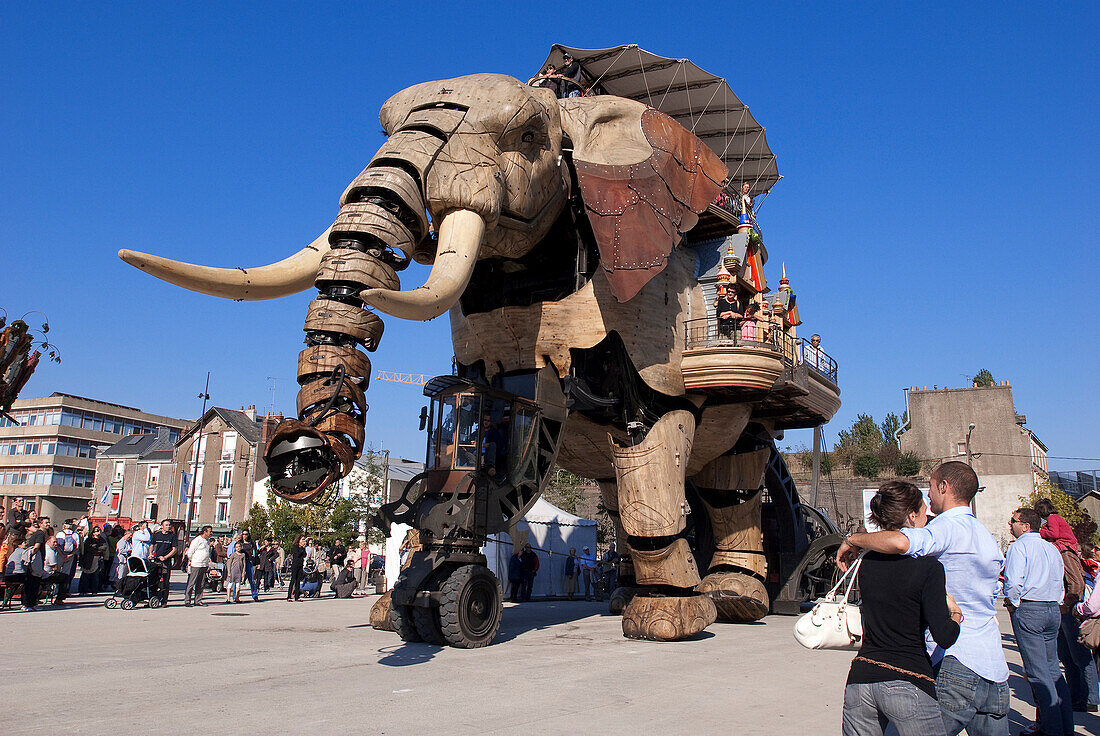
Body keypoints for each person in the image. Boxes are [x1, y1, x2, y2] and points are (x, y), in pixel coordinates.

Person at [838, 461, 1009, 736]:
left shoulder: (944, 528)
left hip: (956, 659)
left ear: (944, 487)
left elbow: (902, 543)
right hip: (993, 664)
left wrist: (854, 539)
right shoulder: (984, 534)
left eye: (930, 486)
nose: (928, 497)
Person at [842, 481, 961, 736]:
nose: (927, 516)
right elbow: (944, 636)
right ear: (911, 516)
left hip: (861, 677)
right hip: (907, 677)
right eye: (923, 510)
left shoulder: (866, 563)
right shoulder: (928, 568)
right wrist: (957, 614)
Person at [1001, 507, 1073, 735]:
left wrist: (1013, 602)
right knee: (1052, 669)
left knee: (1037, 673)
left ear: (1026, 526)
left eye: (1013, 521)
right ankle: (1064, 726)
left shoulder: (1019, 547)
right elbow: (1059, 578)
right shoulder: (1050, 548)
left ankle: (1052, 728)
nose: (1009, 524)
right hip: (1051, 607)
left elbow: (1013, 581)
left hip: (1030, 607)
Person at [149, 520, 179, 605]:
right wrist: (150, 554)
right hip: (156, 561)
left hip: (166, 562)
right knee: (154, 580)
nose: (168, 527)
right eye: (166, 525)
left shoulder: (172, 536)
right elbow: (152, 545)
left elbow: (174, 549)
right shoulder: (156, 535)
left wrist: (166, 557)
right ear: (162, 526)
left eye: (169, 525)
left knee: (165, 582)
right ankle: (153, 599)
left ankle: (164, 601)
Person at [184, 525, 213, 607]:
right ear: (205, 532)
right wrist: (191, 560)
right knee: (192, 582)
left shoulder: (207, 541)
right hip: (196, 564)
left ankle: (198, 600)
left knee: (201, 583)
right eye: (210, 531)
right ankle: (187, 600)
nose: (211, 533)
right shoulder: (197, 540)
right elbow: (190, 552)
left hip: (204, 564)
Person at [78, 526, 107, 595]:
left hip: (98, 559)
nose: (98, 533)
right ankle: (83, 591)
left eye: (99, 531)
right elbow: (88, 548)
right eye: (96, 531)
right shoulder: (89, 540)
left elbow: (104, 547)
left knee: (96, 576)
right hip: (89, 559)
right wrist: (95, 548)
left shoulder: (102, 540)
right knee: (86, 576)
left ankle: (94, 590)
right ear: (93, 533)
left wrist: (96, 547)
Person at [239, 530, 260, 602]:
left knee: (251, 579)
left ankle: (255, 595)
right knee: (238, 579)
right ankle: (235, 596)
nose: (244, 536)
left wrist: (257, 563)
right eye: (243, 534)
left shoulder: (251, 543)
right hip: (241, 561)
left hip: (249, 561)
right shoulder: (240, 543)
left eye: (246, 534)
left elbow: (256, 552)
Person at [112, 527, 133, 592]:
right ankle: (117, 588)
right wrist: (129, 550)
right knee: (119, 575)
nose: (130, 537)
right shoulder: (121, 541)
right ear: (126, 534)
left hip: (125, 561)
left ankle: (120, 588)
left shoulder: (128, 542)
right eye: (129, 535)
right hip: (120, 560)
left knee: (123, 575)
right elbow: (120, 550)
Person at [286, 534, 306, 602]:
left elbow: (304, 555)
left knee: (298, 581)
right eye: (302, 539)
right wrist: (301, 548)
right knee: (293, 580)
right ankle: (289, 596)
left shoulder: (302, 548)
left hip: (300, 565)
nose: (304, 541)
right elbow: (297, 554)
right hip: (295, 565)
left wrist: (303, 547)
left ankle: (297, 596)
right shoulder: (295, 546)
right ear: (299, 540)